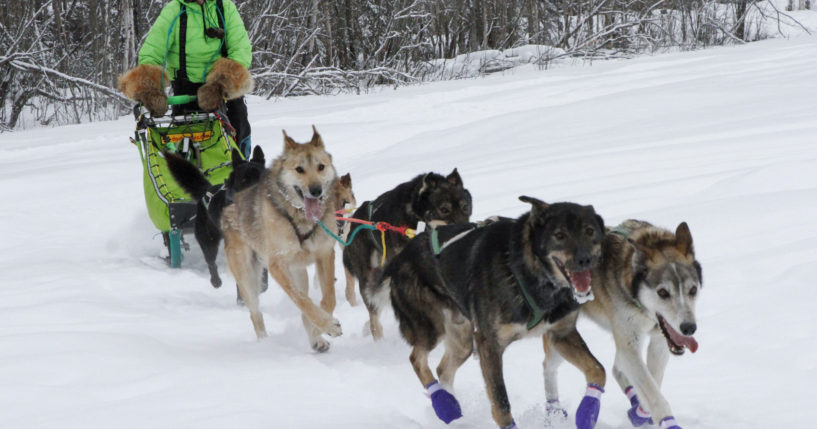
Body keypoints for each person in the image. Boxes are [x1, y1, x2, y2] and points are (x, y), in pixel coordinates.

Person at [118, 0, 254, 156]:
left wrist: (221, 84)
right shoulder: (174, 11)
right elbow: (151, 53)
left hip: (222, 90)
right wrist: (148, 89)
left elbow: (240, 49)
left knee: (237, 131)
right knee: (188, 153)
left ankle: (242, 169)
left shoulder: (225, 7)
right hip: (185, 91)